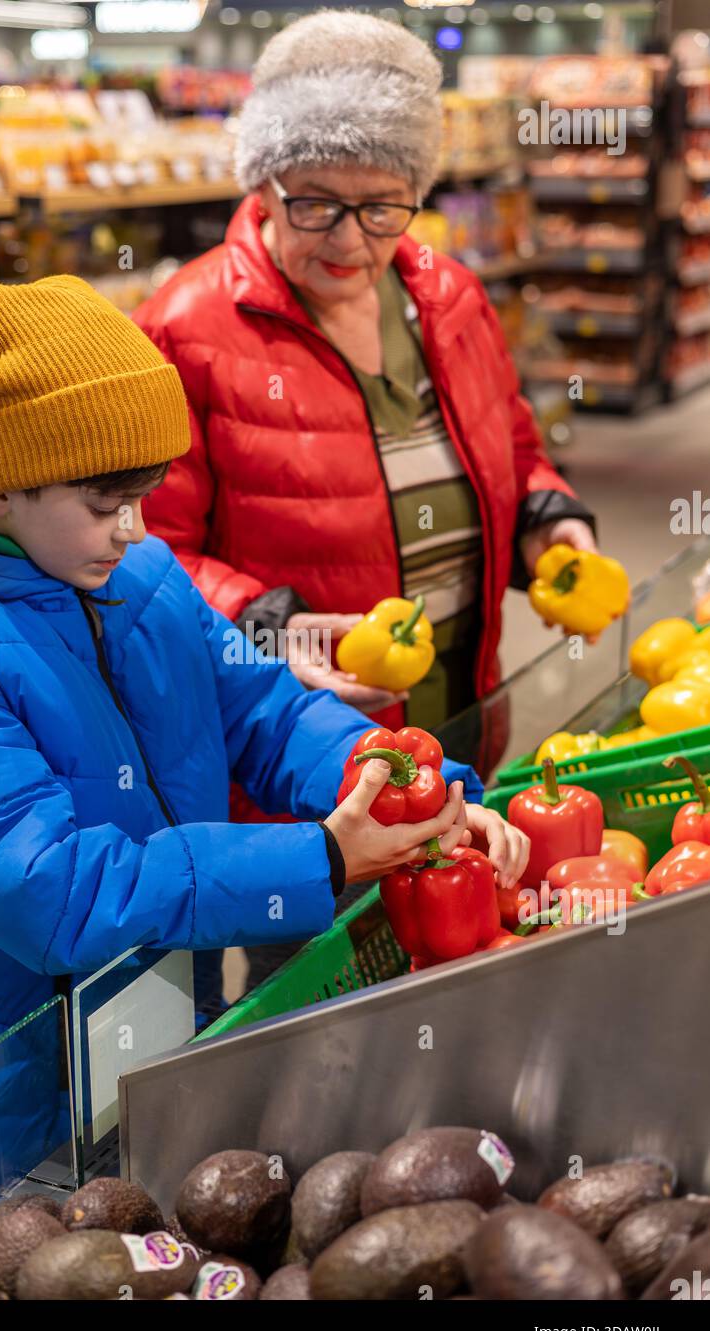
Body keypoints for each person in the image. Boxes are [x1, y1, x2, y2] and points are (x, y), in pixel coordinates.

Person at [0, 275, 528, 1223]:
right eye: (103, 501)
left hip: (162, 1051)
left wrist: (414, 787)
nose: (134, 527)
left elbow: (266, 713)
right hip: (19, 1126)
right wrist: (321, 857)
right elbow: (49, 892)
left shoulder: (145, 574)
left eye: (143, 495)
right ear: (4, 482)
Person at [135, 10, 596, 985]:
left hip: (465, 726)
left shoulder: (449, 295)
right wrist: (275, 622)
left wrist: (551, 526)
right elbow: (144, 554)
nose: (351, 239)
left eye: (383, 205)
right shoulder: (185, 326)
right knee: (316, 1020)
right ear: (263, 182)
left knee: (464, 978)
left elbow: (509, 443)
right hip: (304, 787)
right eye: (316, 204)